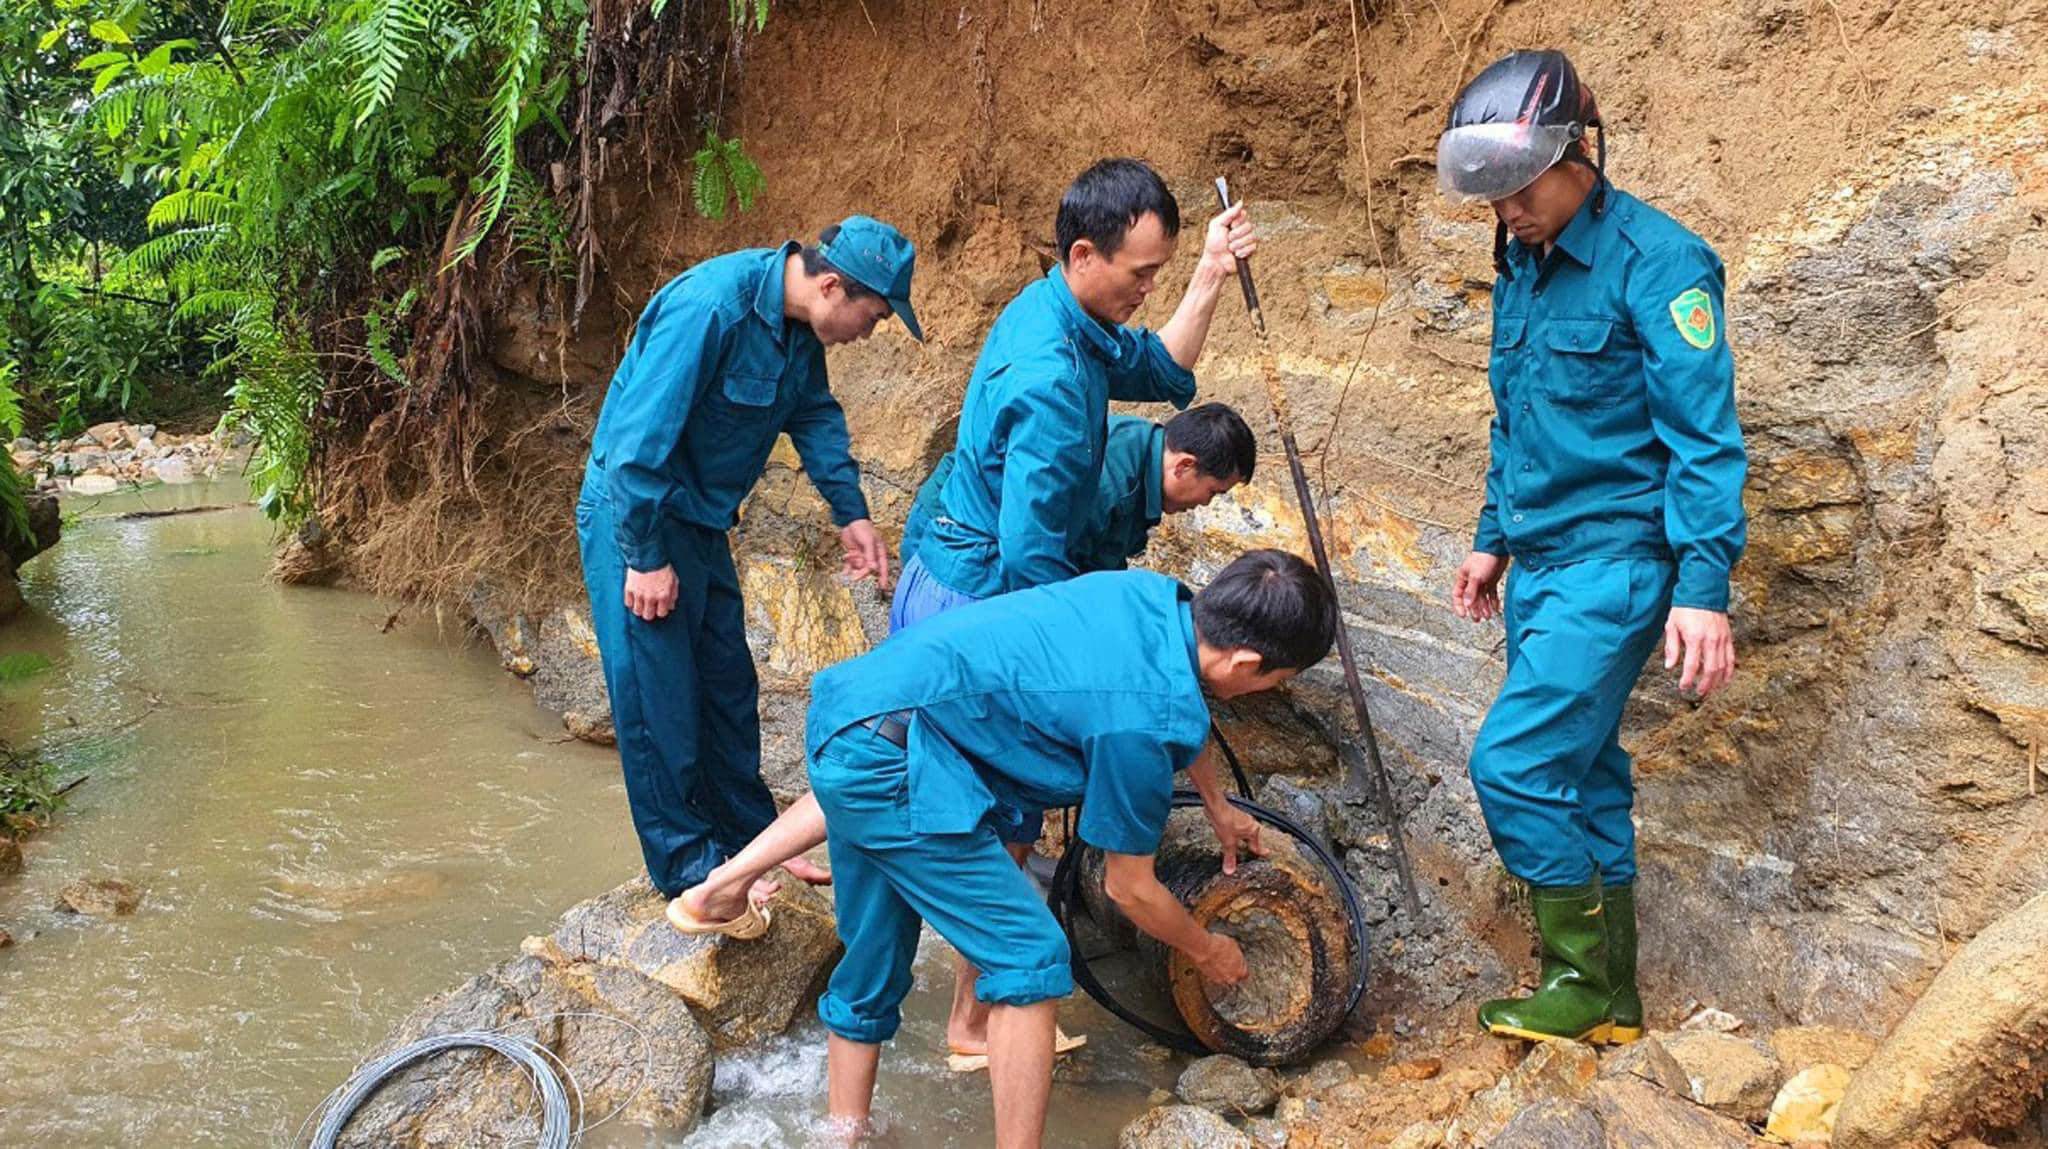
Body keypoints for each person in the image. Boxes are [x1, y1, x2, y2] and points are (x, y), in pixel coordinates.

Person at [806, 549, 1337, 1147]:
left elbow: (1175, 701)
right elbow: (1128, 888)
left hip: (854, 716)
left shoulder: (1152, 599)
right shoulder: (1143, 722)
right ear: (1246, 661)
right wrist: (1208, 949)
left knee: (875, 949)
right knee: (1031, 959)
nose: (1266, 691)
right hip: (904, 766)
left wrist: (1217, 805)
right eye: (1275, 680)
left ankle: (843, 1134)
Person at [1436, 50, 1747, 1044]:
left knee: (1513, 765)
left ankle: (1568, 978)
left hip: (1613, 566)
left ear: (1578, 154)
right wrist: (1490, 542)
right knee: (1582, 774)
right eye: (1489, 196)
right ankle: (1611, 1002)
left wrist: (1700, 589)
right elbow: (1512, 418)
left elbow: (1703, 440)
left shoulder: (1660, 265)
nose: (1504, 213)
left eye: (1517, 189)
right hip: (1538, 566)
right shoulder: (1521, 267)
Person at [575, 216, 921, 914]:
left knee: (728, 686)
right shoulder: (711, 309)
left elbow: (816, 417)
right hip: (636, 515)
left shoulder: (798, 330)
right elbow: (636, 447)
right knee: (658, 699)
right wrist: (643, 559)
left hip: (698, 523)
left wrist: (852, 512)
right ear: (831, 286)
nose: (870, 332)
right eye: (874, 316)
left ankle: (752, 836)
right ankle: (692, 870)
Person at [898, 404, 1259, 611]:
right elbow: (1037, 572)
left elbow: (1099, 566)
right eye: (1212, 492)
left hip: (986, 532)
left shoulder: (1144, 449)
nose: (1203, 504)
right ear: (1183, 466)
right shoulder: (1108, 486)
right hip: (954, 534)